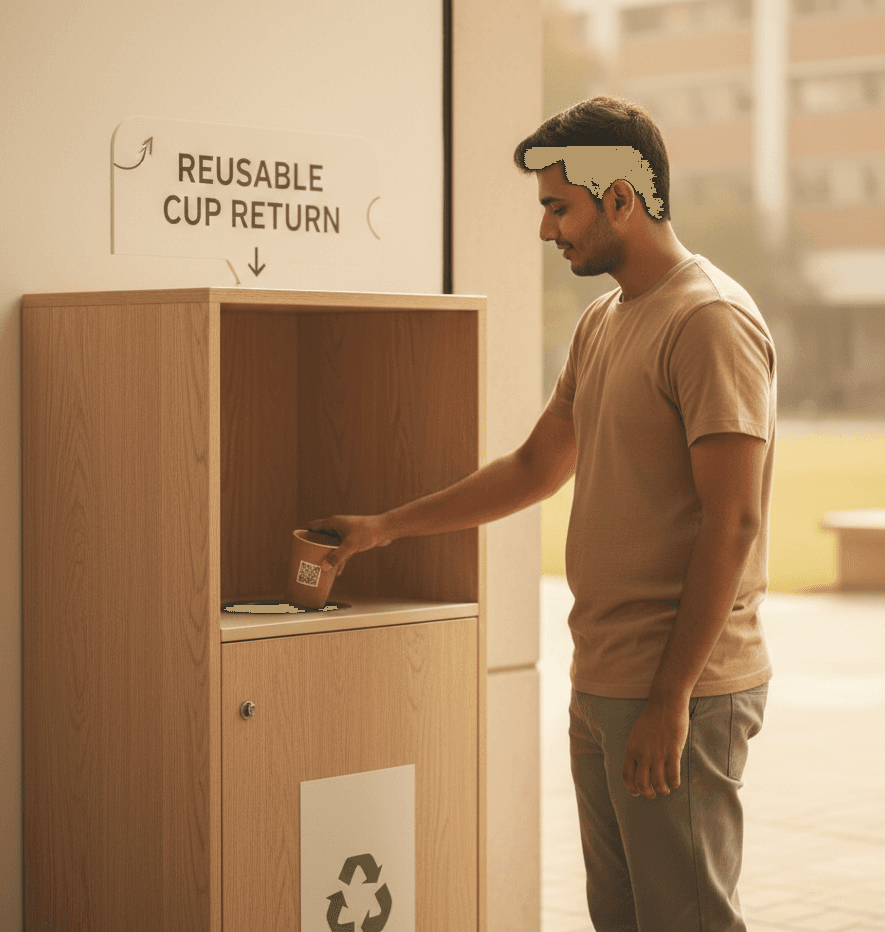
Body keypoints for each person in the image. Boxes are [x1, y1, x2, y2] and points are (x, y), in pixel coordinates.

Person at [306, 94, 775, 932]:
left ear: (622, 199)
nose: (546, 229)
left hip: (682, 691)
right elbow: (533, 466)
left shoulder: (708, 321)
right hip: (603, 681)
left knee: (688, 921)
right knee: (624, 919)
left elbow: (731, 522)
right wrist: (384, 527)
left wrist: (670, 698)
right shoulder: (604, 322)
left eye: (559, 207)